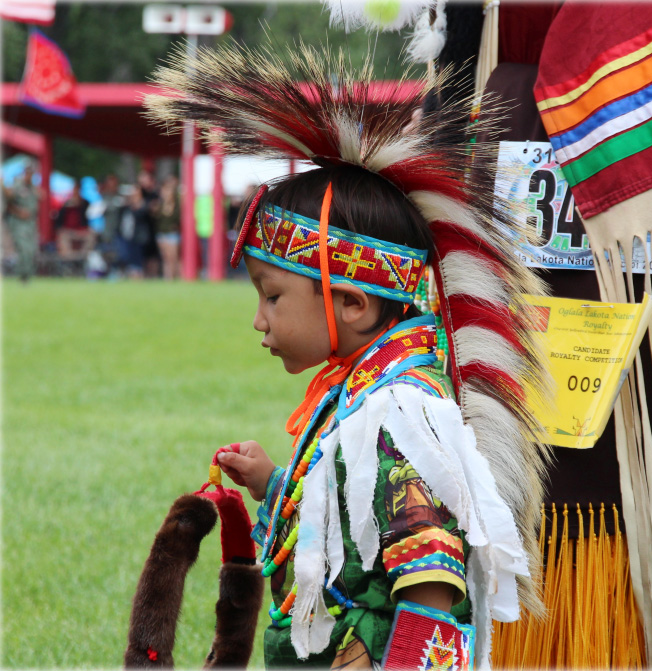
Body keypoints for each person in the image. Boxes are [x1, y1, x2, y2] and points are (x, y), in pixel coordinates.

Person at [146, 43, 549, 668]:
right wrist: (273, 485)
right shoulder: (369, 391)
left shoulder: (401, 413)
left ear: (353, 303)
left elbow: (431, 574)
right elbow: (356, 520)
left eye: (272, 296)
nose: (259, 320)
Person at [5, 165, 39, 282]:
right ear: (24, 173)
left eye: (32, 173)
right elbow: (8, 203)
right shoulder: (17, 186)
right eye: (28, 173)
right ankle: (22, 275)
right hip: (19, 223)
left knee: (31, 249)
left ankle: (28, 275)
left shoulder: (33, 188)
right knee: (24, 249)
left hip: (30, 223)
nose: (29, 175)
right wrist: (19, 212)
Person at [56, 180, 92, 260]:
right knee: (62, 236)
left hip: (81, 230)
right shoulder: (66, 204)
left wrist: (80, 204)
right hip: (68, 230)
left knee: (91, 235)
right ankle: (68, 259)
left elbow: (88, 217)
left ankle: (83, 257)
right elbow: (59, 219)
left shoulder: (85, 203)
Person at [155, 175, 181, 280]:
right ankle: (168, 277)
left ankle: (176, 276)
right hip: (162, 233)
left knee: (173, 257)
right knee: (165, 257)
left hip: (172, 233)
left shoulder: (177, 204)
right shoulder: (159, 205)